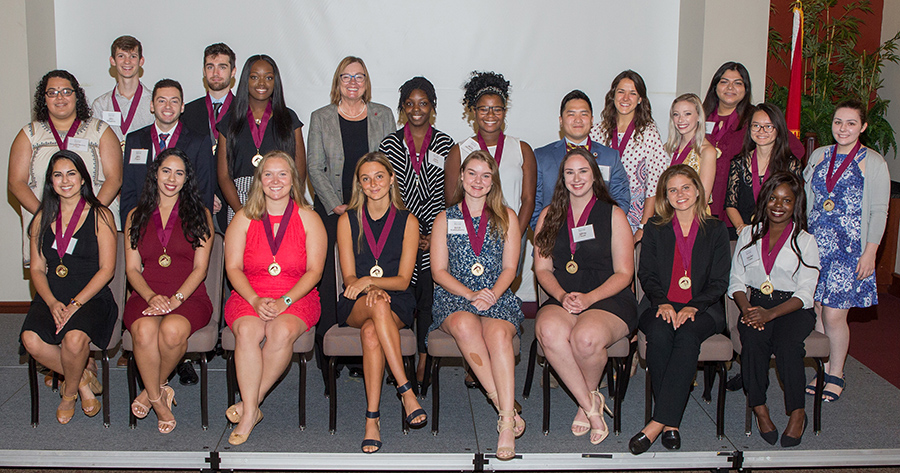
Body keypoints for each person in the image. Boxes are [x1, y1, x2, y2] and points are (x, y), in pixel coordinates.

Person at [533, 148, 637, 445]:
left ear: (594, 176)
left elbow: (624, 274)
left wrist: (589, 299)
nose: (576, 178)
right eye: (569, 172)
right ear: (562, 178)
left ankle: (584, 402)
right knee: (548, 330)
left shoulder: (614, 214)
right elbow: (542, 269)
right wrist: (563, 295)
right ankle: (591, 405)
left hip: (607, 297)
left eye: (582, 171)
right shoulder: (548, 216)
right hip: (563, 295)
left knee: (586, 339)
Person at [223, 151, 326, 445]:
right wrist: (255, 300)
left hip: (298, 295)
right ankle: (252, 408)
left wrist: (285, 301)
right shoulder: (243, 218)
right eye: (268, 174)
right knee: (248, 330)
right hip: (249, 293)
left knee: (280, 331)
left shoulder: (309, 218)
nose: (275, 180)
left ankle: (249, 408)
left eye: (283, 174)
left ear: (293, 179)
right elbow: (233, 267)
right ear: (259, 180)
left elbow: (315, 271)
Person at [430, 151, 526, 461]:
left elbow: (511, 268)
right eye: (472, 173)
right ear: (461, 177)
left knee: (498, 335)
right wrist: (471, 295)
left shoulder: (507, 216)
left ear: (493, 182)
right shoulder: (445, 218)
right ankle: (506, 411)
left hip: (497, 294)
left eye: (485, 176)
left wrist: (492, 294)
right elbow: (438, 271)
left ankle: (506, 423)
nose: (477, 181)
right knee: (463, 325)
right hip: (456, 296)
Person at [629, 165, 729, 454]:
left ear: (698, 190)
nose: (679, 194)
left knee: (686, 335)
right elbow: (645, 274)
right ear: (665, 195)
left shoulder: (716, 229)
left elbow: (720, 280)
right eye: (672, 189)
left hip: (704, 308)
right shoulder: (655, 228)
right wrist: (663, 302)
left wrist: (694, 307)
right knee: (659, 334)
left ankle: (657, 423)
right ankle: (670, 423)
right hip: (659, 303)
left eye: (685, 187)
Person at [307, 56, 396, 377]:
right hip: (334, 211)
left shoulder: (383, 115)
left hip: (374, 210)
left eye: (359, 77)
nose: (353, 83)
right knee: (332, 278)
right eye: (347, 77)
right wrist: (336, 205)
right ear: (337, 82)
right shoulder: (321, 117)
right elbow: (314, 167)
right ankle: (331, 348)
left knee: (367, 273)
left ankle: (364, 350)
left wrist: (373, 204)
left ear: (366, 82)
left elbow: (390, 165)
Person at [336, 152, 426, 453]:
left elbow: (402, 280)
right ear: (359, 185)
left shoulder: (408, 221)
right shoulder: (348, 220)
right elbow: (349, 277)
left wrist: (370, 283)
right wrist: (366, 288)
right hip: (356, 301)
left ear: (390, 180)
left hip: (396, 299)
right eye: (366, 178)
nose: (373, 183)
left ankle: (371, 419)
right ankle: (405, 390)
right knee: (376, 304)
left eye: (379, 176)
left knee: (372, 331)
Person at [19, 150, 118, 424]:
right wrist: (51, 302)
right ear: (50, 182)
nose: (65, 181)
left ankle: (69, 393)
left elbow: (107, 269)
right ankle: (83, 381)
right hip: (52, 295)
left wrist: (75, 304)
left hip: (91, 296)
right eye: (58, 175)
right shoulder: (41, 218)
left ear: (83, 179)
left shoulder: (101, 215)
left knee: (74, 341)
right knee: (31, 340)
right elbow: (37, 268)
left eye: (71, 173)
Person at [803, 100, 890, 403]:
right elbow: (806, 198)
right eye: (838, 122)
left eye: (851, 123)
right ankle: (822, 368)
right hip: (815, 249)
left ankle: (837, 372)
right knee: (816, 309)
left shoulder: (873, 162)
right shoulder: (819, 155)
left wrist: (870, 254)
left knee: (835, 315)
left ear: (863, 127)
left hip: (850, 251)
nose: (843, 129)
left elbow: (879, 212)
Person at [123, 149, 214, 434]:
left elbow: (200, 269)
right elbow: (131, 269)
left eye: (179, 173)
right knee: (144, 332)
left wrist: (175, 299)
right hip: (145, 294)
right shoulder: (135, 216)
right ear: (155, 174)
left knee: (173, 331)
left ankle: (149, 391)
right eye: (166, 171)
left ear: (187, 179)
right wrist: (151, 297)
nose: (171, 178)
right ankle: (158, 400)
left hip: (189, 296)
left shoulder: (202, 215)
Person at [729, 172, 819, 447]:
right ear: (764, 200)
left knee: (788, 345)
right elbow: (736, 280)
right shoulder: (748, 233)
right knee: (754, 341)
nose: (778, 205)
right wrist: (746, 309)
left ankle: (797, 411)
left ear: (796, 205)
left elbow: (806, 292)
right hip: (755, 304)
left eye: (786, 200)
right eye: (773, 198)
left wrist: (770, 314)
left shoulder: (805, 241)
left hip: (792, 308)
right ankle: (759, 408)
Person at [378, 77, 454, 388]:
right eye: (409, 103)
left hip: (434, 234)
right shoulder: (389, 144)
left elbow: (451, 196)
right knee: (399, 294)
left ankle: (423, 356)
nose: (416, 109)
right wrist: (410, 235)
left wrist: (432, 236)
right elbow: (383, 193)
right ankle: (397, 355)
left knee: (427, 292)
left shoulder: (447, 145)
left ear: (432, 107)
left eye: (423, 103)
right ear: (402, 108)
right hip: (398, 234)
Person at [9, 70, 122, 264]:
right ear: (43, 99)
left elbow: (115, 178)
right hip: (45, 227)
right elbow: (16, 182)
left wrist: (90, 216)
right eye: (52, 92)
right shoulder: (29, 134)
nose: (59, 97)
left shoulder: (99, 131)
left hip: (94, 226)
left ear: (76, 95)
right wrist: (46, 216)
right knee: (51, 283)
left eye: (66, 91)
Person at [702, 62, 805, 222]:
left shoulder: (757, 118)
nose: (730, 87)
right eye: (724, 82)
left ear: (746, 89)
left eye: (738, 83)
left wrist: (764, 174)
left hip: (736, 210)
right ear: (715, 86)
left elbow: (796, 149)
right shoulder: (701, 117)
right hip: (702, 203)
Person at [446, 71, 536, 238]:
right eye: (484, 109)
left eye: (496, 109)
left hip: (512, 232)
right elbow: (452, 201)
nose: (490, 115)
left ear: (504, 111)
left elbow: (528, 200)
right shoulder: (459, 151)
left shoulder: (522, 149)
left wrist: (515, 234)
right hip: (471, 236)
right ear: (474, 111)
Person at [217, 55, 305, 223]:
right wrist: (241, 213)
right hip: (240, 203)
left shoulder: (289, 118)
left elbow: (299, 169)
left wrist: (285, 204)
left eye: (269, 77)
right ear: (245, 80)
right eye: (255, 77)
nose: (262, 83)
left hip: (281, 199)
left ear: (275, 82)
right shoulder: (229, 121)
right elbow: (224, 175)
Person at [532, 90, 630, 230]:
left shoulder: (610, 157)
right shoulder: (542, 156)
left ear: (591, 120)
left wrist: (603, 232)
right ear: (561, 120)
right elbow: (534, 203)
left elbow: (621, 200)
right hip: (552, 239)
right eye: (571, 114)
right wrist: (545, 234)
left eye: (584, 114)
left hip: (598, 239)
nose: (578, 120)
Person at [121, 79, 216, 223]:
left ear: (182, 107)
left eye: (174, 101)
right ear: (152, 106)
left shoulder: (199, 143)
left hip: (183, 227)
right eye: (161, 101)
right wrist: (130, 228)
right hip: (142, 225)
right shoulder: (134, 140)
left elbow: (204, 193)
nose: (168, 107)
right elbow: (128, 191)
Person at [590, 71, 669, 241]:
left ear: (640, 99)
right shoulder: (596, 132)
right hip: (597, 215)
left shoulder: (649, 134)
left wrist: (642, 226)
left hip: (633, 221)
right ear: (612, 95)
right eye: (621, 92)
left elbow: (655, 185)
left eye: (632, 93)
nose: (626, 98)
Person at [725, 103, 801, 239]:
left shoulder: (790, 164)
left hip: (778, 235)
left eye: (768, 126)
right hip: (743, 234)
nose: (761, 131)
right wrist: (742, 229)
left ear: (779, 129)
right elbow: (731, 204)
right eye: (756, 125)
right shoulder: (739, 162)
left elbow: (796, 204)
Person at [182, 42, 236, 231]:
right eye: (210, 67)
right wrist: (203, 194)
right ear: (204, 71)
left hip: (233, 203)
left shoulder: (244, 112)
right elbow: (183, 159)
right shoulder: (187, 112)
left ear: (233, 71)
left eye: (222, 67)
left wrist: (224, 197)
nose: (216, 73)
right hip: (194, 202)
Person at [91, 35, 154, 147]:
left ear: (141, 61)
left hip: (145, 164)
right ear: (112, 61)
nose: (127, 62)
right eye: (121, 56)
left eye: (133, 56)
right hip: (111, 163)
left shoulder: (153, 102)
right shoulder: (100, 105)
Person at [664, 94, 719, 203]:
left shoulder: (706, 151)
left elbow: (703, 197)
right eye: (676, 114)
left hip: (693, 215)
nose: (680, 119)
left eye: (687, 114)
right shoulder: (667, 148)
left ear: (699, 116)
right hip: (667, 210)